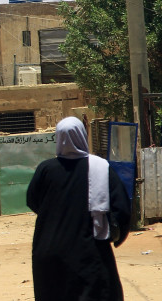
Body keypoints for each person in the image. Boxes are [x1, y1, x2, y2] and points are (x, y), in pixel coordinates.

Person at [27, 117, 131, 300]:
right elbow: (121, 207)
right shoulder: (101, 168)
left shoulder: (45, 169)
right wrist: (115, 234)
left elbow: (33, 201)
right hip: (90, 252)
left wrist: (54, 216)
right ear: (83, 135)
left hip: (50, 251)